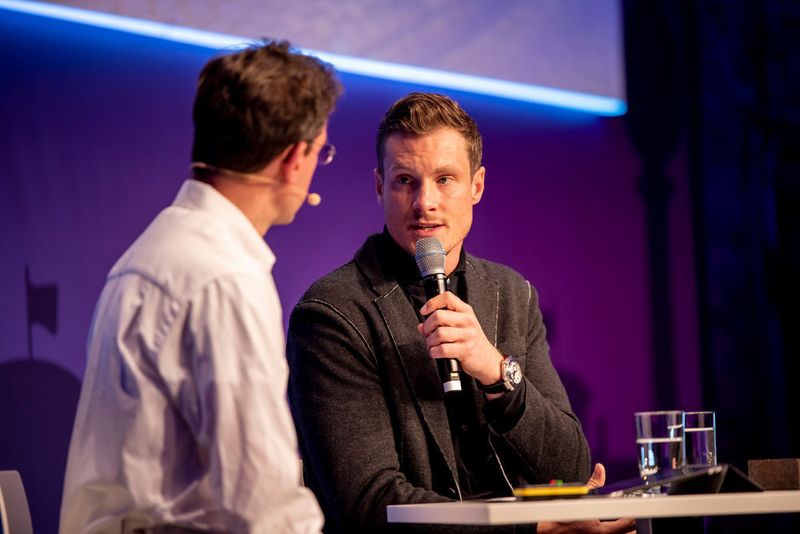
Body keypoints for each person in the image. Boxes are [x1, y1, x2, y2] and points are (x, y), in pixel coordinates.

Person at [286, 93, 633, 533]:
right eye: (405, 180)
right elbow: (371, 505)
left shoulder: (511, 293)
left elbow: (571, 466)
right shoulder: (332, 314)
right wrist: (534, 528)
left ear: (477, 185)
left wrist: (495, 370)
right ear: (379, 187)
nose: (425, 202)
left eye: (445, 179)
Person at [60, 41, 341, 533]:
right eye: (322, 151)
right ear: (295, 158)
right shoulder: (225, 278)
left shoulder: (151, 251)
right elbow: (262, 505)